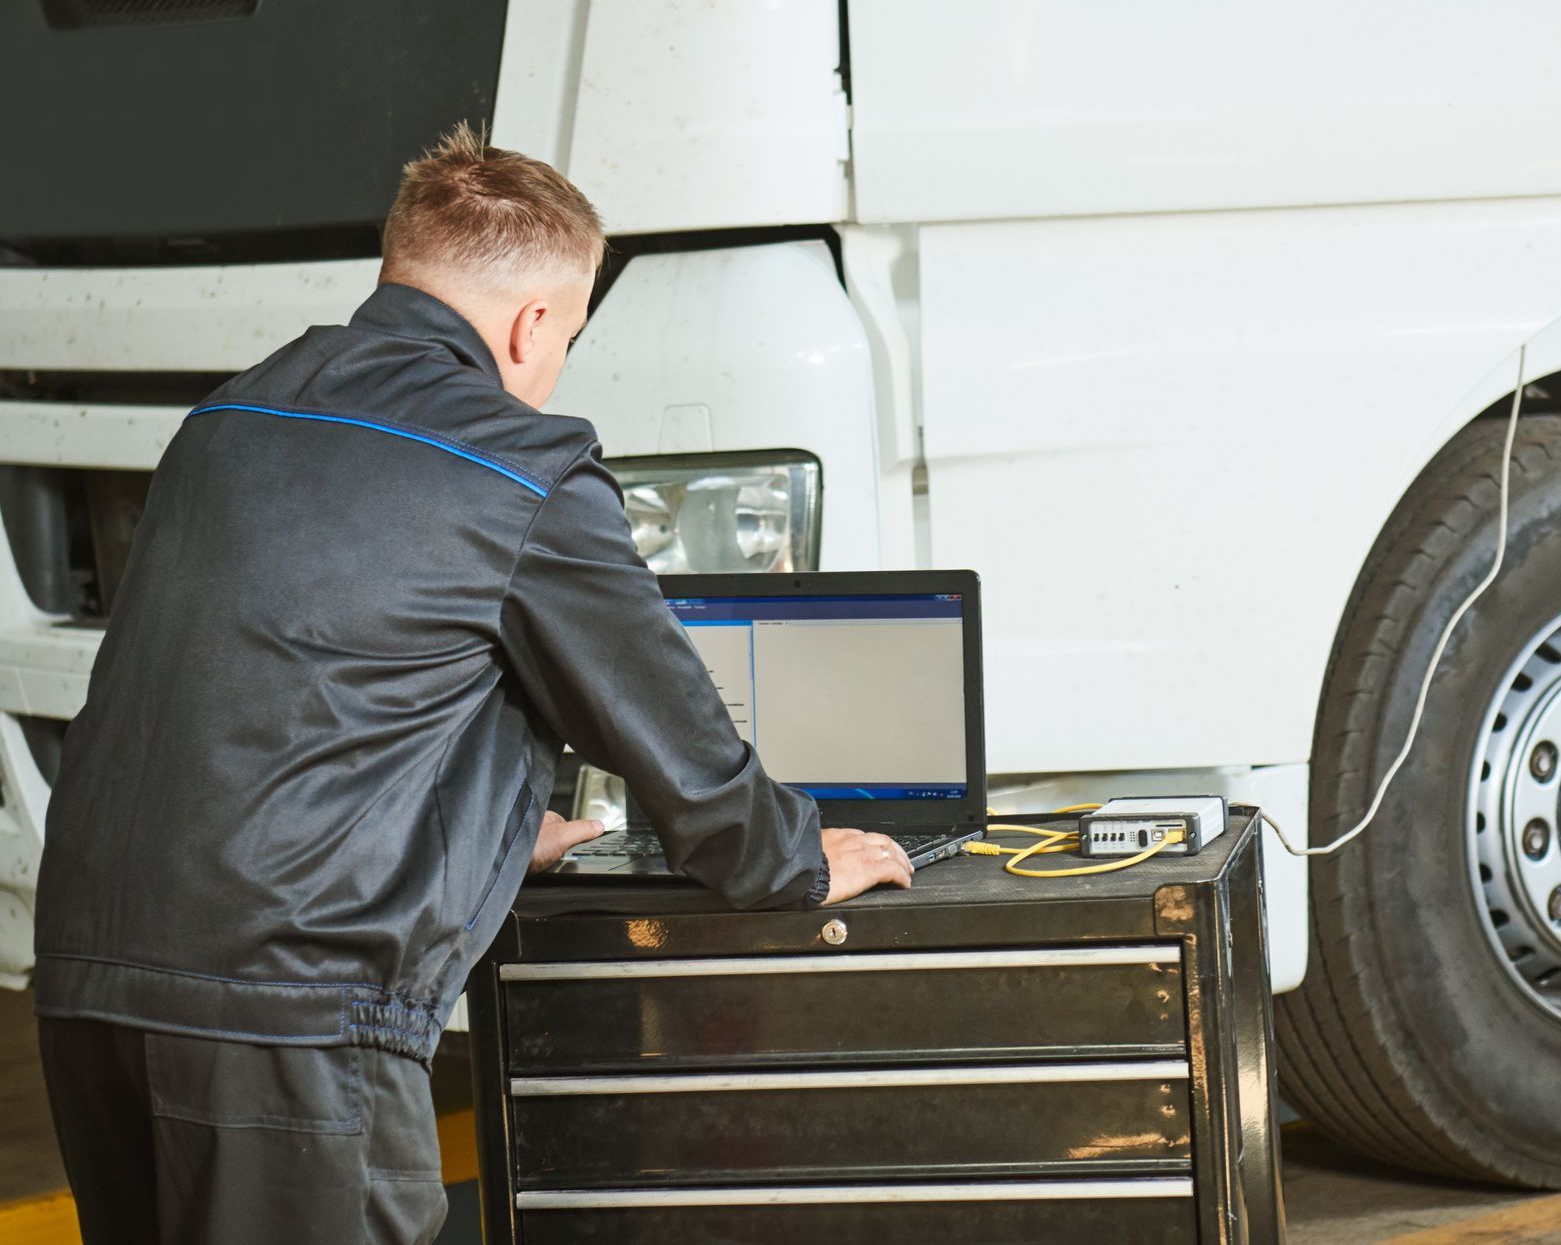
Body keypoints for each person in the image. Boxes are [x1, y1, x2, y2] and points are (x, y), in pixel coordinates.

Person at [31, 123, 913, 1244]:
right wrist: (789, 858)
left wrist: (487, 826)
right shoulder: (517, 464)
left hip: (91, 981)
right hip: (285, 1012)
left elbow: (278, 693)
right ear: (532, 323)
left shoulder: (230, 420)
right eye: (569, 339)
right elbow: (670, 728)